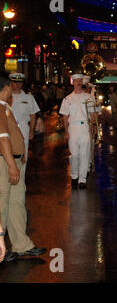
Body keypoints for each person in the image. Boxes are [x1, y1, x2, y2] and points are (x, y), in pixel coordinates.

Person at [0, 72, 46, 262]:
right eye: (10, 85)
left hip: (14, 161)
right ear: (5, 88)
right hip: (4, 162)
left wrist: (19, 159)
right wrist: (12, 164)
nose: (13, 87)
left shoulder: (5, 107)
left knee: (16, 203)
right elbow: (2, 139)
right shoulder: (0, 109)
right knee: (1, 204)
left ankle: (21, 245)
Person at [59, 73, 96, 189]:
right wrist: (66, 131)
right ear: (73, 83)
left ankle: (82, 179)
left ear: (82, 82)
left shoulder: (89, 97)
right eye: (76, 81)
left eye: (80, 81)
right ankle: (74, 176)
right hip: (73, 127)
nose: (78, 83)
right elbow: (65, 116)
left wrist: (93, 127)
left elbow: (93, 114)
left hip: (85, 127)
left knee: (85, 154)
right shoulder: (67, 99)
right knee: (74, 155)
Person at [9, 73, 40, 175]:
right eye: (14, 82)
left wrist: (31, 130)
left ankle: (21, 179)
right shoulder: (5, 96)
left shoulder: (28, 98)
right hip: (7, 128)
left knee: (22, 154)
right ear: (10, 82)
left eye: (19, 82)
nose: (17, 85)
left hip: (22, 127)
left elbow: (33, 114)